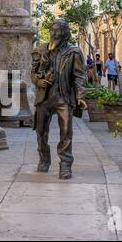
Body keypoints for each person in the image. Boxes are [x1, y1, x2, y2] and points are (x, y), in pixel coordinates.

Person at [31, 19, 87, 180]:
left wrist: (80, 96)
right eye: (52, 30)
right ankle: (44, 158)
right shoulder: (40, 50)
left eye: (57, 30)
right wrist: (38, 81)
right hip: (45, 97)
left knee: (66, 132)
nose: (53, 33)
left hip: (63, 97)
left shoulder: (73, 52)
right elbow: (33, 73)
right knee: (41, 131)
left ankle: (65, 165)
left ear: (65, 33)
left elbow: (79, 75)